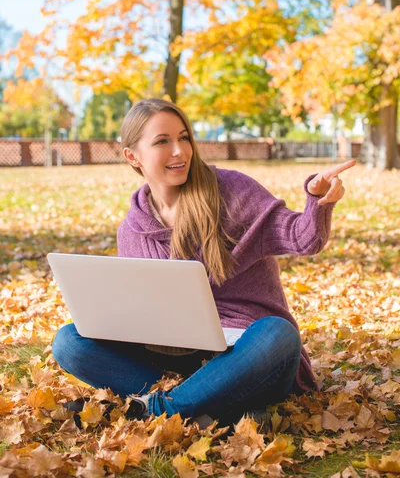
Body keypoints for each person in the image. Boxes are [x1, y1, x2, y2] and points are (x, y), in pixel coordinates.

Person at [52, 98, 356, 427]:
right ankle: (206, 409)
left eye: (184, 138)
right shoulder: (131, 229)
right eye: (162, 142)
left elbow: (303, 238)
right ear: (132, 156)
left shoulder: (232, 191)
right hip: (174, 357)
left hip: (245, 354)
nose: (180, 151)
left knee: (279, 334)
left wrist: (318, 200)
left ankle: (160, 410)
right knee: (69, 341)